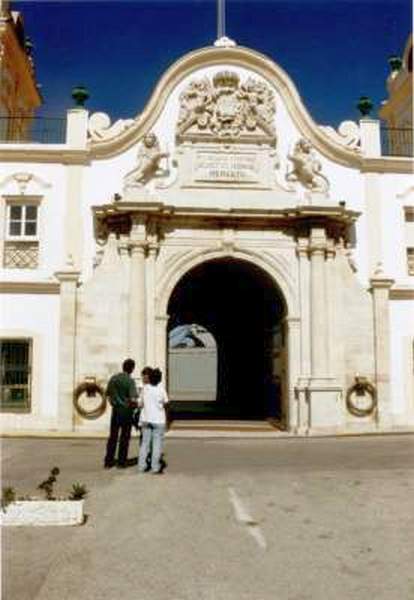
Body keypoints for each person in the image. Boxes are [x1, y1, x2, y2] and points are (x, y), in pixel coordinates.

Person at [104, 358, 138, 469]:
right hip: (126, 412)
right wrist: (135, 407)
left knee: (113, 437)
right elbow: (133, 398)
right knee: (124, 437)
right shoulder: (130, 381)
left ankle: (108, 461)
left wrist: (114, 404)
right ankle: (121, 462)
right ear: (132, 369)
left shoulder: (113, 378)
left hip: (116, 411)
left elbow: (108, 395)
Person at [138, 368, 169, 474]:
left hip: (146, 419)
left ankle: (142, 466)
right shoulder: (161, 389)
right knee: (157, 444)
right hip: (158, 420)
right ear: (159, 379)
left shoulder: (145, 389)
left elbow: (140, 403)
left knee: (145, 444)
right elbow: (166, 403)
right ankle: (155, 467)